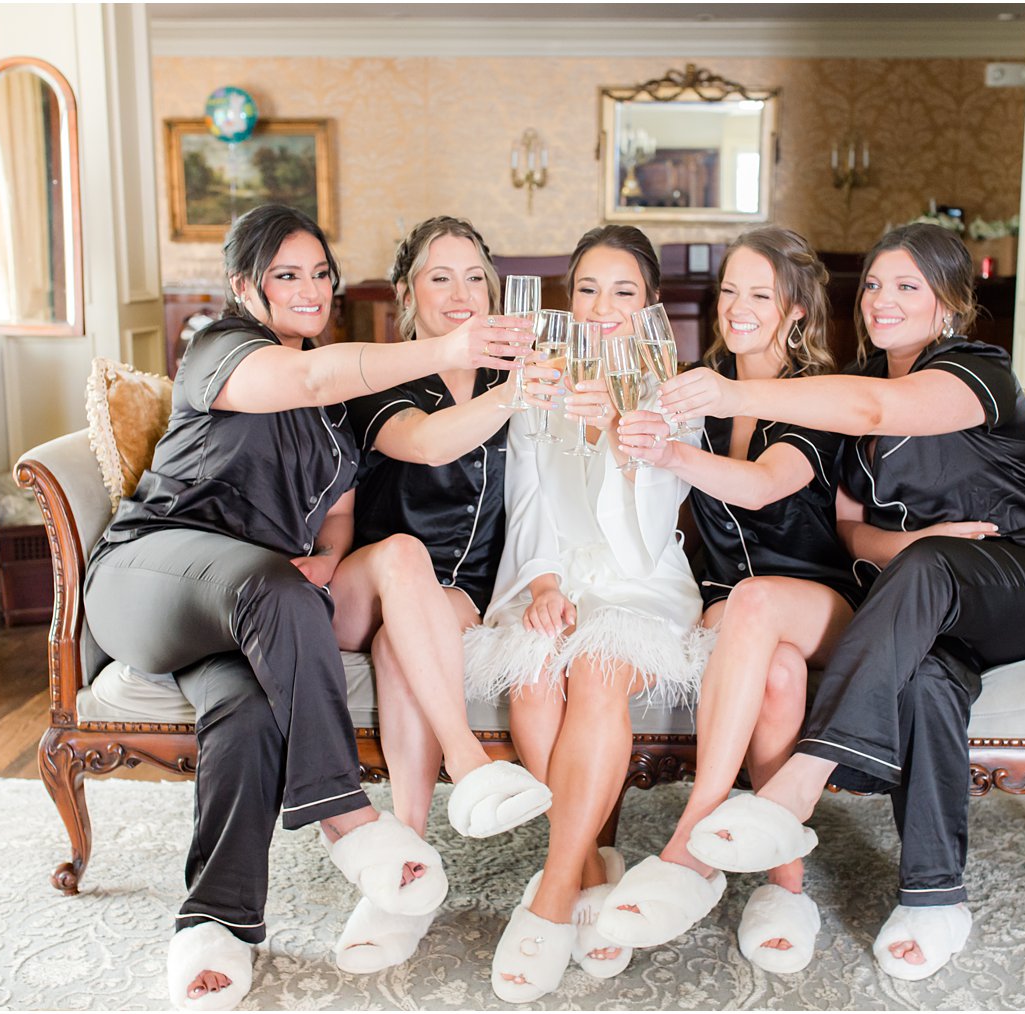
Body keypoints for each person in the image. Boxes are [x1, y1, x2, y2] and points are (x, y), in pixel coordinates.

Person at [81, 204, 545, 1011]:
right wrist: (446, 346)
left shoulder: (338, 400)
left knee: (252, 710)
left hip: (249, 609)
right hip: (150, 576)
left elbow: (336, 507)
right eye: (286, 274)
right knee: (272, 585)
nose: (310, 289)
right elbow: (309, 378)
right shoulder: (221, 348)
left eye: (321, 274)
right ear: (244, 286)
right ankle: (348, 823)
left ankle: (214, 921)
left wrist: (333, 558)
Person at [640, 222, 1025, 981]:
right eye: (876, 286)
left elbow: (881, 412)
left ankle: (804, 775)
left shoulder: (977, 371)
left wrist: (731, 387)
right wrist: (928, 546)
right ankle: (934, 896)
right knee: (926, 674)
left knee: (926, 569)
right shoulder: (854, 386)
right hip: (931, 597)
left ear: (950, 303)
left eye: (908, 286)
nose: (884, 300)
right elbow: (854, 535)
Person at [598, 227, 855, 974]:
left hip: (823, 605)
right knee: (774, 672)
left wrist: (671, 451)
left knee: (754, 608)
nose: (738, 307)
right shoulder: (696, 386)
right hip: (732, 606)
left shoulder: (815, 398)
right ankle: (786, 885)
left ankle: (693, 836)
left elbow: (768, 483)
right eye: (730, 291)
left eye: (760, 295)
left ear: (797, 311)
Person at [463, 225, 705, 1002]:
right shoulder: (541, 383)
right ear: (568, 303)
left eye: (624, 292)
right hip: (554, 575)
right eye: (589, 291)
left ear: (650, 306)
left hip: (640, 581)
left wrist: (612, 426)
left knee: (598, 668)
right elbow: (528, 506)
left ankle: (553, 895)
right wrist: (540, 587)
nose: (603, 308)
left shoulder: (677, 392)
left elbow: (650, 524)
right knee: (534, 676)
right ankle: (596, 862)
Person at [328, 216, 556, 972]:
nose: (461, 294)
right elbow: (424, 444)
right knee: (400, 556)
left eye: (473, 278)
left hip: (454, 594)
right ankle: (469, 760)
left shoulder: (508, 376)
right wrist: (519, 393)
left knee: (408, 638)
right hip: (362, 581)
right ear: (408, 294)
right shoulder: (380, 371)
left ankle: (408, 864)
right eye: (439, 277)